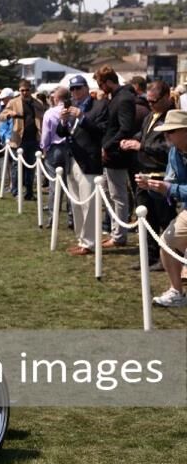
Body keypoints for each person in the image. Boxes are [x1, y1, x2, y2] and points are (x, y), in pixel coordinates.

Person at [123, 80, 176, 271]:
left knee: (165, 220)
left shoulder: (172, 118)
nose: (150, 104)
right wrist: (133, 140)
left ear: (167, 97)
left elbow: (169, 148)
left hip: (161, 176)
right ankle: (149, 256)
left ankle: (167, 258)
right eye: (148, 100)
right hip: (144, 174)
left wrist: (142, 146)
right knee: (146, 219)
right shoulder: (151, 116)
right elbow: (143, 134)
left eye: (154, 101)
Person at [138, 109, 187, 307]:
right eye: (165, 132)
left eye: (171, 131)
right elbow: (170, 182)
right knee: (167, 242)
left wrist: (169, 188)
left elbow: (172, 186)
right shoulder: (175, 151)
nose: (166, 136)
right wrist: (152, 185)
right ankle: (177, 291)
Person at [60, 75, 109, 255]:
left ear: (87, 88)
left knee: (89, 204)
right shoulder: (70, 107)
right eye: (72, 89)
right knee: (76, 202)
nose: (75, 92)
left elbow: (101, 131)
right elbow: (62, 133)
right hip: (72, 157)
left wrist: (82, 118)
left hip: (89, 159)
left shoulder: (99, 106)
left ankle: (91, 243)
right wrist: (63, 121)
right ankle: (82, 240)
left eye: (78, 88)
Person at [97, 66, 138, 248]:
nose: (100, 88)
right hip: (111, 154)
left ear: (108, 82)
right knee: (110, 194)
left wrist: (107, 145)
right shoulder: (117, 97)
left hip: (117, 155)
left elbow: (125, 128)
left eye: (100, 84)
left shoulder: (123, 99)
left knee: (118, 196)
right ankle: (116, 232)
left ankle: (119, 236)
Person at [3, 80, 46, 200]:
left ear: (30, 90)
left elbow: (43, 116)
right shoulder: (13, 102)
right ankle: (16, 191)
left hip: (33, 138)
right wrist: (9, 114)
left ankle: (29, 192)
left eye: (27, 90)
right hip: (19, 139)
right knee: (17, 166)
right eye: (22, 90)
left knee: (31, 167)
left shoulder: (38, 103)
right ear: (19, 90)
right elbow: (1, 116)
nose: (25, 92)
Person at [40, 87, 73, 228]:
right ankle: (72, 218)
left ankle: (53, 217)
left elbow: (46, 134)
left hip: (54, 148)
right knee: (71, 185)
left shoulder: (49, 112)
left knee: (55, 185)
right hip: (69, 148)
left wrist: (44, 148)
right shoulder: (73, 111)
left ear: (56, 98)